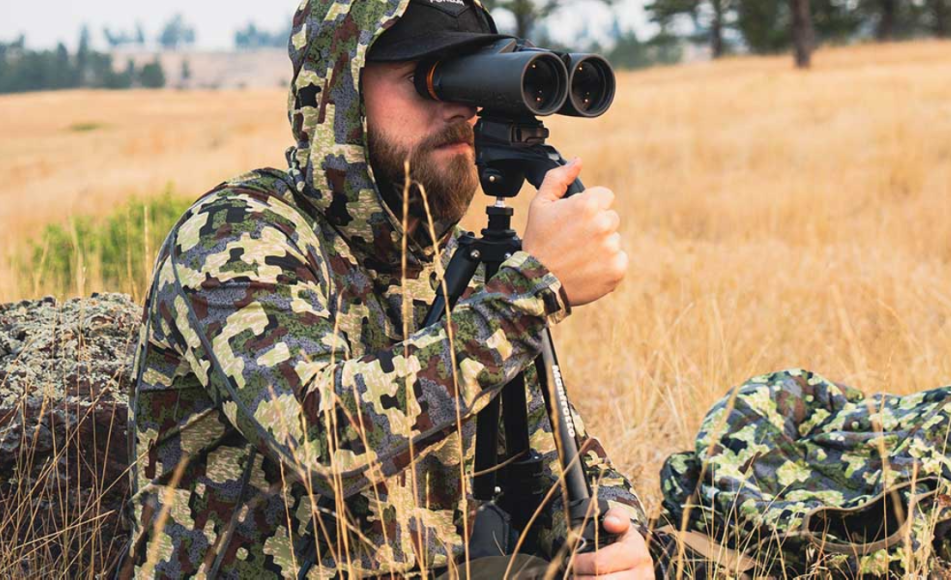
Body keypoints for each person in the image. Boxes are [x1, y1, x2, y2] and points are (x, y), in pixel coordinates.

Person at [123, 0, 655, 577]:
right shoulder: (237, 232)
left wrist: (616, 531)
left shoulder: (458, 262)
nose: (459, 108)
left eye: (468, 74)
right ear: (338, 98)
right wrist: (528, 295)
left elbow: (554, 458)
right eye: (427, 78)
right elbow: (318, 438)